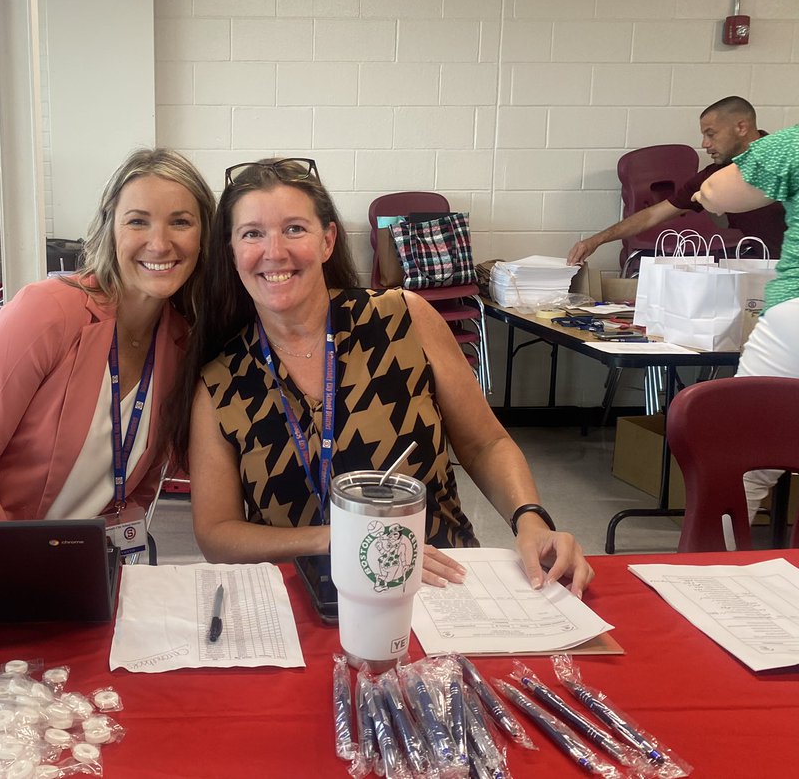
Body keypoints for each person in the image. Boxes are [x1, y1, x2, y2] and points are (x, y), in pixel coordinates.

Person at [173, 157, 593, 596]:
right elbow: (218, 533)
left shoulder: (402, 317)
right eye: (252, 233)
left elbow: (486, 443)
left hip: (437, 585)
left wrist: (530, 518)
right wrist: (334, 540)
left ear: (328, 240)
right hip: (307, 603)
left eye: (295, 228)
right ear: (230, 251)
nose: (274, 251)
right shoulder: (221, 379)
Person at [0, 148, 216, 525]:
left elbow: (137, 487)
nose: (160, 243)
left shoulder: (180, 345)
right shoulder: (48, 311)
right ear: (110, 229)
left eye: (180, 222)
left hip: (62, 563)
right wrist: (28, 573)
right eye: (137, 222)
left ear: (203, 237)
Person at [693, 125, 799, 518]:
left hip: (795, 313)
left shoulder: (789, 144)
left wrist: (706, 194)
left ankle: (715, 568)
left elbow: (717, 193)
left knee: (743, 463)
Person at [567, 97, 784, 266]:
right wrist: (596, 240)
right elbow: (652, 215)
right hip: (769, 270)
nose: (705, 144)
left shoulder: (786, 160)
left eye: (711, 134)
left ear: (741, 127)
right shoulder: (714, 176)